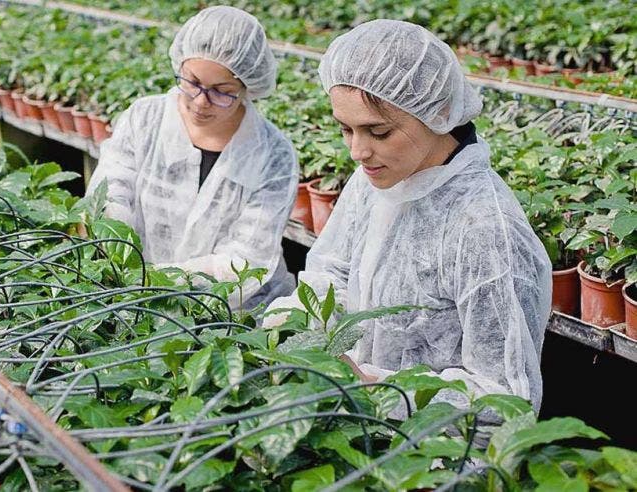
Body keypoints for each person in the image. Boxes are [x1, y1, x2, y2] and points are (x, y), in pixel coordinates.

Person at [264, 19, 552, 412]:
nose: (357, 151)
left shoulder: (484, 229)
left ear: (438, 113)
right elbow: (334, 273)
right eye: (345, 129)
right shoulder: (377, 178)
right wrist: (294, 323)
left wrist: (384, 389)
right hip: (361, 420)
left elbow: (504, 399)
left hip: (436, 458)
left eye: (378, 132)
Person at [84, 6, 299, 309]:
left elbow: (244, 264)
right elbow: (110, 196)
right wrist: (123, 263)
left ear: (247, 89)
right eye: (192, 82)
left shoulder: (273, 154)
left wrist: (156, 281)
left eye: (221, 92)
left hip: (239, 309)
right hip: (137, 299)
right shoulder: (145, 119)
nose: (200, 102)